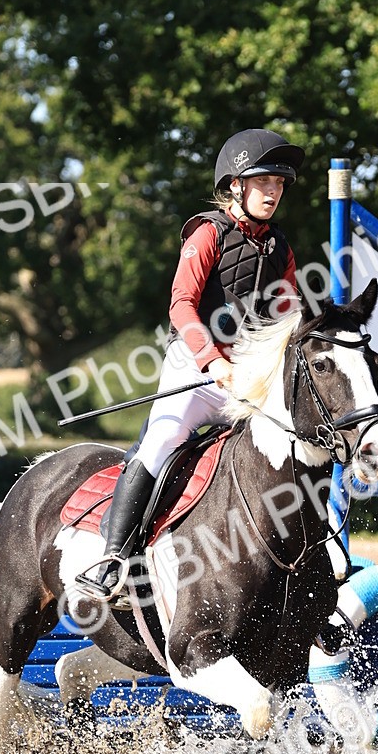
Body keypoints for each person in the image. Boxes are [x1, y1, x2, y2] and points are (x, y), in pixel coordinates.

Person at [76, 127, 305, 605]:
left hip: (247, 377)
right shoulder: (207, 234)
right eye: (264, 182)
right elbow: (181, 306)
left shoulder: (281, 248)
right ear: (236, 186)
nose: (273, 193)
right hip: (196, 370)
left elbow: (287, 315)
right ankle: (113, 558)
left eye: (280, 185)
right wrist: (212, 360)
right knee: (162, 440)